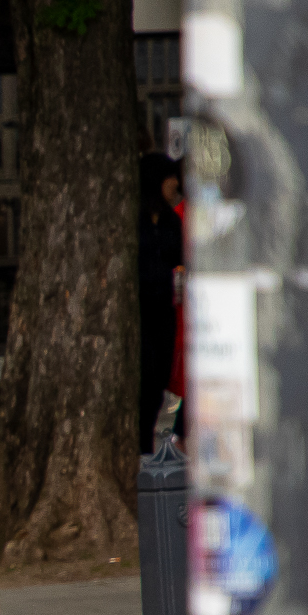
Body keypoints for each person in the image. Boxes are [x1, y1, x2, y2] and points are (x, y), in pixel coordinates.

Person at [136, 152, 184, 449]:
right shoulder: (135, 218)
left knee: (157, 384)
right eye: (170, 177)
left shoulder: (170, 220)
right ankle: (140, 444)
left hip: (163, 311)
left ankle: (146, 443)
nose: (175, 184)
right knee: (142, 380)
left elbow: (178, 257)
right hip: (138, 313)